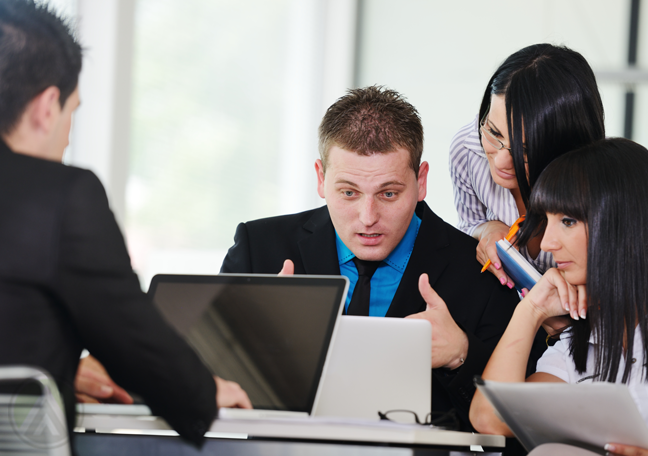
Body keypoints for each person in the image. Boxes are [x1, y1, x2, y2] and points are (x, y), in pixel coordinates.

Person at [0, 0, 250, 445]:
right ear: (46, 107)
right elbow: (134, 342)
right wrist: (206, 391)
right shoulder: (60, 195)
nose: (68, 135)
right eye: (71, 113)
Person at [221, 85, 543, 429]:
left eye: (389, 193)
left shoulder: (482, 273)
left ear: (421, 182)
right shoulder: (260, 250)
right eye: (348, 192)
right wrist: (254, 344)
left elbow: (517, 422)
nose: (368, 216)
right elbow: (202, 383)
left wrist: (461, 354)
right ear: (320, 178)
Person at [468, 138, 648, 456]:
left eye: (567, 221)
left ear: (623, 222)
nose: (548, 242)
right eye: (546, 221)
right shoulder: (580, 336)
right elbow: (489, 419)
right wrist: (532, 309)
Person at [449, 43, 605, 289]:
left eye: (526, 150)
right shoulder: (467, 149)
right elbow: (466, 227)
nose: (501, 160)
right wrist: (485, 229)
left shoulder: (603, 192)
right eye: (493, 132)